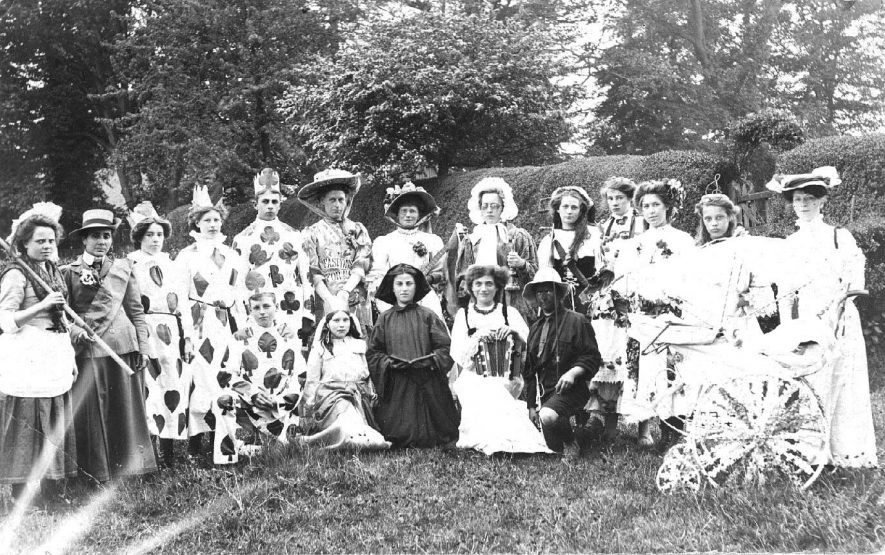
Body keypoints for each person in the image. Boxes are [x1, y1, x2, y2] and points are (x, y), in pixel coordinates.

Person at [765, 166, 877, 468]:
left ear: (822, 202)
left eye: (810, 199)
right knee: (812, 383)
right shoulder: (790, 244)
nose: (804, 205)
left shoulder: (840, 237)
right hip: (807, 320)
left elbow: (855, 282)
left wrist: (839, 308)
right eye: (798, 200)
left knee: (843, 380)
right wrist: (789, 328)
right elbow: (785, 290)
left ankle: (847, 453)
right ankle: (813, 451)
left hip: (839, 317)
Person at [62, 208, 157, 482]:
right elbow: (64, 316)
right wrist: (76, 331)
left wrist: (144, 348)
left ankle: (133, 467)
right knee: (94, 411)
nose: (101, 241)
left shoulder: (123, 269)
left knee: (126, 408)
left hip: (124, 347)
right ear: (84, 240)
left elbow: (136, 312)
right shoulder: (69, 272)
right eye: (95, 236)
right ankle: (98, 471)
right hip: (90, 350)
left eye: (106, 236)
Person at [0, 203, 78, 504]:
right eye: (39, 241)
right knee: (28, 423)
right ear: (24, 244)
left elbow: (62, 322)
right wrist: (41, 306)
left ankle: (51, 487)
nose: (46, 246)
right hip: (26, 356)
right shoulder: (16, 276)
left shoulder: (52, 271)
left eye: (50, 240)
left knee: (53, 417)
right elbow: (5, 321)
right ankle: (21, 492)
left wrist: (70, 358)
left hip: (53, 352)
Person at [616, 179, 695, 447]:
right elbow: (624, 280)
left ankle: (674, 427)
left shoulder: (682, 240)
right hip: (642, 315)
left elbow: (689, 278)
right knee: (643, 369)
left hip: (671, 315)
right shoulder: (634, 244)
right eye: (645, 206)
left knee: (671, 368)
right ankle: (643, 429)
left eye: (656, 205)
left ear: (668, 207)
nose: (651, 211)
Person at [173, 185, 247, 460]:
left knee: (226, 379)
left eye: (216, 220)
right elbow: (181, 297)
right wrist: (188, 335)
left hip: (227, 324)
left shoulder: (232, 255)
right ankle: (196, 442)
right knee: (202, 382)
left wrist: (241, 325)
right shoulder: (187, 255)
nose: (213, 225)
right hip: (201, 324)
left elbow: (239, 293)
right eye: (207, 220)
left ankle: (225, 443)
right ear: (196, 223)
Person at [449, 265, 549, 455]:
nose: (483, 289)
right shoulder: (464, 316)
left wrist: (513, 333)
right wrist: (477, 338)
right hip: (473, 374)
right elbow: (459, 355)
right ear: (471, 287)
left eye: (489, 284)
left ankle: (506, 440)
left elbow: (530, 344)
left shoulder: (509, 313)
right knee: (483, 387)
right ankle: (496, 440)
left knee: (495, 387)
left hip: (508, 374)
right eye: (478, 284)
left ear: (498, 287)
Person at [127, 201, 193, 468]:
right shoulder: (130, 264)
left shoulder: (172, 263)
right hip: (145, 328)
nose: (155, 240)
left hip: (171, 332)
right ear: (139, 237)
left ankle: (168, 451)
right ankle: (148, 453)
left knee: (171, 386)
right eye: (149, 235)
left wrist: (187, 337)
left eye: (159, 234)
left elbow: (184, 303)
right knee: (148, 388)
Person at [366, 264, 459, 448]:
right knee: (396, 434)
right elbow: (374, 353)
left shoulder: (428, 316)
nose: (404, 288)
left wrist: (431, 361)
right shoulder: (384, 319)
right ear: (392, 288)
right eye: (399, 284)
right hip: (397, 383)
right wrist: (389, 364)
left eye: (409, 283)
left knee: (439, 433)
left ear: (416, 287)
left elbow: (445, 347)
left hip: (428, 380)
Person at [213, 292, 306, 464]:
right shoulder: (239, 338)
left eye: (266, 306)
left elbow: (300, 375)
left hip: (278, 404)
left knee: (283, 452)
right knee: (223, 400)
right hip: (251, 402)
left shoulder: (289, 336)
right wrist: (252, 394)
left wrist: (278, 400)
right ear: (250, 311)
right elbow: (226, 373)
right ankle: (230, 455)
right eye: (256, 308)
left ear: (276, 308)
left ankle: (277, 442)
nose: (262, 312)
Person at [587, 177, 644, 441]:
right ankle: (609, 424)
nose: (614, 203)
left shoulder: (642, 224)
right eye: (610, 199)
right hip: (608, 298)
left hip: (633, 295)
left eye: (619, 198)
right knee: (608, 353)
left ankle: (643, 427)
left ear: (630, 199)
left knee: (633, 357)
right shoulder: (602, 227)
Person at [523, 268, 602, 459]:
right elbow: (530, 370)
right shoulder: (535, 328)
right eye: (539, 292)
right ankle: (590, 431)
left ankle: (572, 442)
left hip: (572, 390)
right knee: (552, 446)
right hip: (547, 392)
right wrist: (531, 406)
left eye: (548, 290)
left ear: (558, 293)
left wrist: (573, 373)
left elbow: (592, 357)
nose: (543, 296)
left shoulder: (577, 321)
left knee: (548, 416)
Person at [232, 168, 313, 351]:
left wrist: (308, 314)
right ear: (255, 204)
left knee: (290, 358)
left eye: (274, 202)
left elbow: (306, 276)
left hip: (290, 308)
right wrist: (242, 316)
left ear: (280, 205)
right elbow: (237, 283)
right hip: (257, 311)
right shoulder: (242, 239)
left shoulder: (294, 235)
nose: (270, 206)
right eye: (265, 201)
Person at [446, 177, 538, 324]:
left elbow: (535, 273)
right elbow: (462, 277)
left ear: (503, 207)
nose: (489, 210)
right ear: (479, 208)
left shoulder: (517, 235)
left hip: (511, 301)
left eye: (494, 206)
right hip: (480, 301)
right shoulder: (472, 239)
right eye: (485, 206)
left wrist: (521, 264)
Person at [301, 305, 391, 451]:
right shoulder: (320, 347)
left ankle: (364, 440)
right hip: (332, 394)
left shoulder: (360, 345)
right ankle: (332, 440)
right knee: (346, 419)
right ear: (327, 323)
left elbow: (367, 373)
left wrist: (371, 392)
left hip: (359, 393)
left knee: (361, 424)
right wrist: (310, 404)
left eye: (345, 320)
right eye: (336, 320)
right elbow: (312, 379)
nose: (341, 325)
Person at [299, 169, 372, 328]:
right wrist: (329, 299)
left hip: (355, 294)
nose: (337, 205)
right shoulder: (312, 233)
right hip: (326, 296)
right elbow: (313, 271)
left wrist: (346, 292)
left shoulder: (357, 230)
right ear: (322, 201)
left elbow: (361, 263)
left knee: (359, 339)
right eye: (332, 200)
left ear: (347, 201)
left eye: (341, 199)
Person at [368, 182, 446, 319]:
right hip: (394, 297)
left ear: (419, 215)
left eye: (412, 211)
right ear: (397, 214)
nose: (408, 215)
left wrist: (427, 278)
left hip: (425, 296)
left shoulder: (433, 240)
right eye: (404, 211)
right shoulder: (385, 242)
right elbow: (378, 275)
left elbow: (441, 272)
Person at [537, 186, 602, 314]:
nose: (569, 211)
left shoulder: (593, 237)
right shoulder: (549, 241)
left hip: (587, 303)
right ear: (557, 209)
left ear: (581, 210)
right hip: (559, 305)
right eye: (565, 207)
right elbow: (544, 277)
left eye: (574, 207)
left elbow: (601, 271)